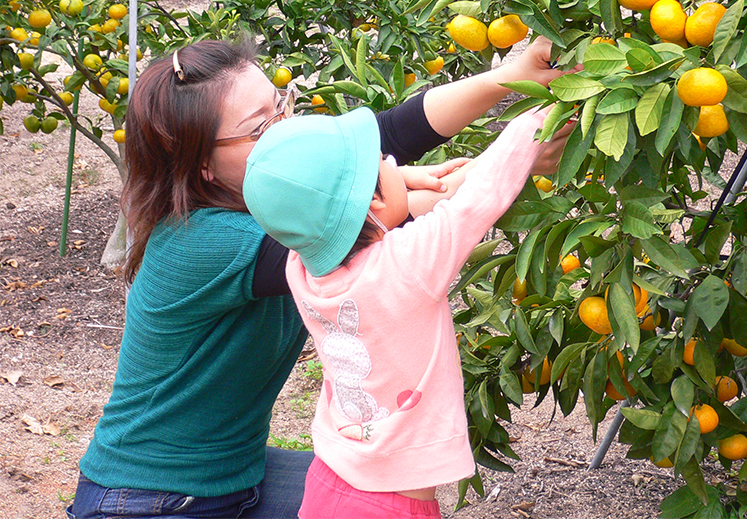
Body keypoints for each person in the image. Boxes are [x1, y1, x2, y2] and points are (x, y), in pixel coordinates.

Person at [67, 36, 573, 519]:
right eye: (261, 128)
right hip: (149, 497)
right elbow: (373, 231)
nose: (285, 128)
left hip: (238, 475)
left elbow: (386, 138)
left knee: (368, 496)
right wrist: (514, 156)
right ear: (202, 164)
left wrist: (507, 78)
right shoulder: (197, 242)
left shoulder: (285, 201)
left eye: (281, 105)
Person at [242, 101, 559, 519]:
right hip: (387, 506)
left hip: (329, 483)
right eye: (384, 160)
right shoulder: (406, 265)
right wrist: (537, 121)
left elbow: (363, 217)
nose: (393, 160)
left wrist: (394, 183)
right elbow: (477, 201)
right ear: (372, 201)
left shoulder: (300, 269)